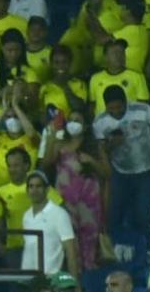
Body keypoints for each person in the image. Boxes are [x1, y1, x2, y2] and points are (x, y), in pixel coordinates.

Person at [93, 85, 150, 237]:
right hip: (120, 173)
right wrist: (112, 145)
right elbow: (103, 150)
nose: (116, 111)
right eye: (111, 108)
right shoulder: (100, 122)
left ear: (126, 102)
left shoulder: (142, 110)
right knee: (113, 215)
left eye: (119, 107)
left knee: (144, 215)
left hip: (147, 170)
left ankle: (147, 251)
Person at [41, 107, 108, 270]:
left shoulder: (94, 146)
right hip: (65, 200)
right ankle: (73, 275)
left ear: (85, 126)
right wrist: (51, 137)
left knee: (89, 237)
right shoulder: (59, 144)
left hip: (89, 200)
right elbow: (45, 164)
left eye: (77, 120)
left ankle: (89, 277)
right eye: (70, 120)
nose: (73, 123)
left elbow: (107, 173)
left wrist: (91, 161)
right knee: (68, 237)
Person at [21, 170, 80, 279]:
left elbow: (70, 250)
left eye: (38, 186)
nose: (34, 190)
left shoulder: (59, 214)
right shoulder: (26, 216)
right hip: (27, 280)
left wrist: (74, 283)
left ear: (47, 189)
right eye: (31, 186)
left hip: (51, 280)